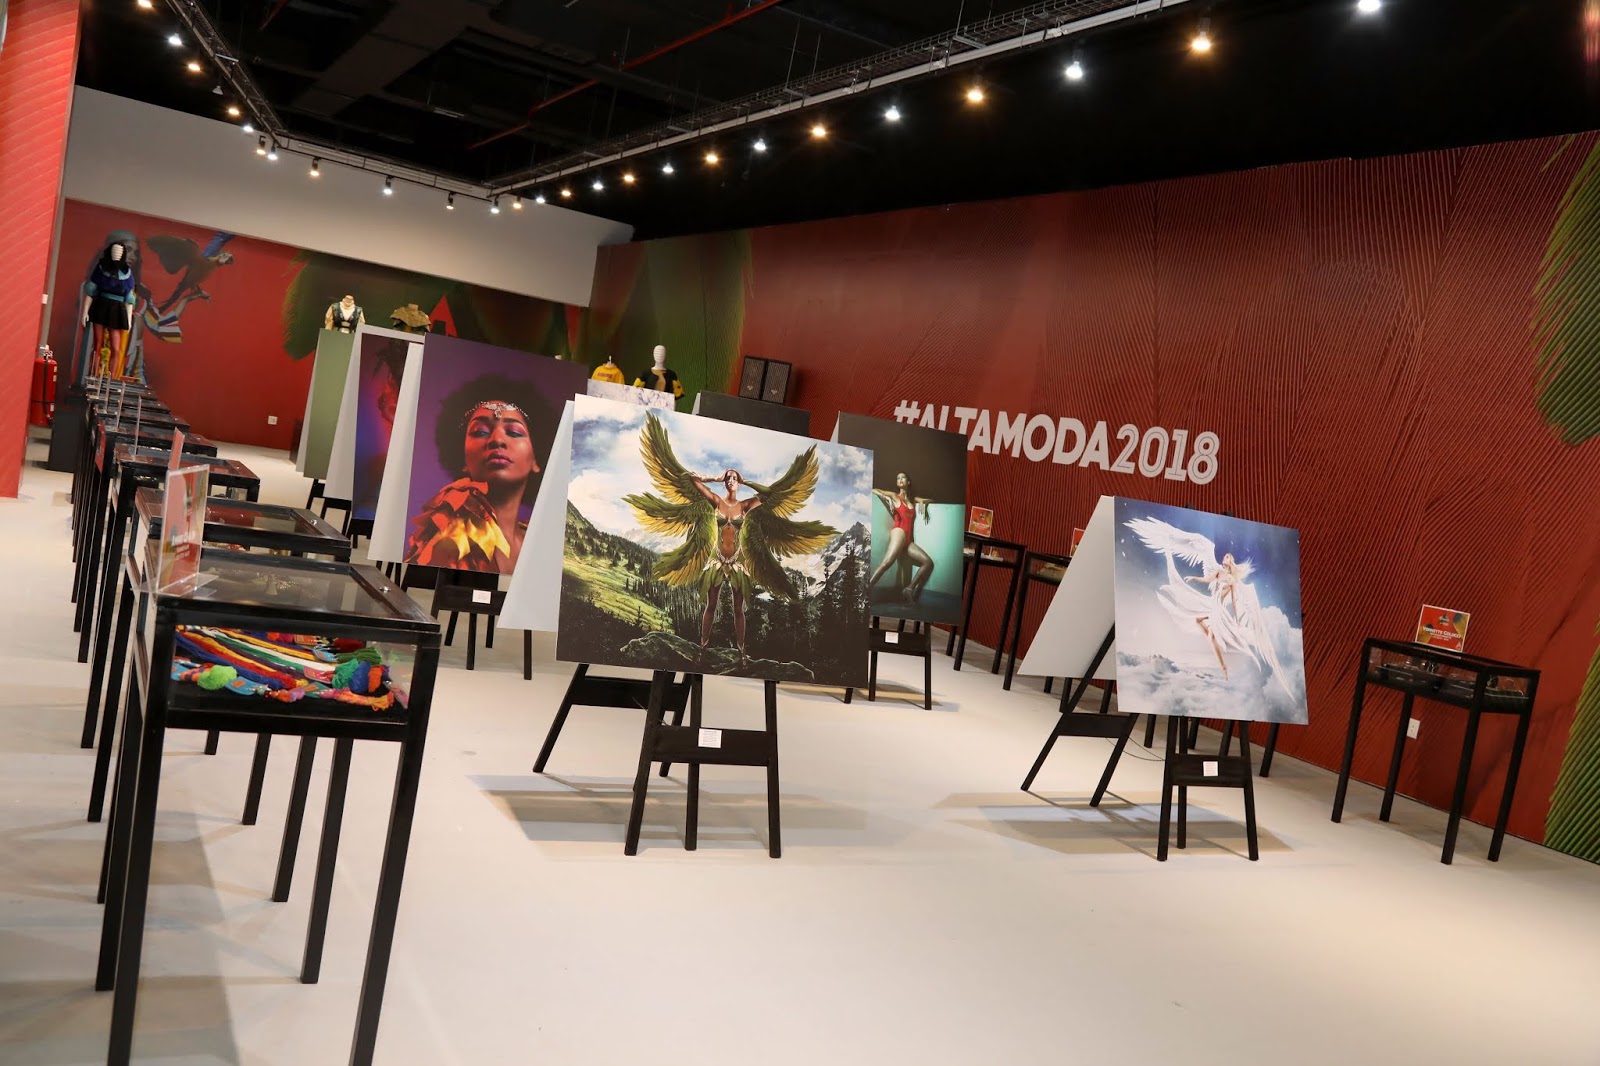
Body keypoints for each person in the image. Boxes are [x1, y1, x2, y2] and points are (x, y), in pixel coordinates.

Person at [626, 412, 835, 662]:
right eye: (728, 478)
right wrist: (713, 478)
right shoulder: (716, 501)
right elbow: (692, 480)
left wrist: (748, 482)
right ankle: (703, 647)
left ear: (739, 482)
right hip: (716, 560)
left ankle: (742, 652)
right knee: (710, 606)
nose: (731, 481)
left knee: (738, 609)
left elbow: (769, 495)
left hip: (738, 562)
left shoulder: (746, 506)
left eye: (734, 478)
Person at [403, 374, 546, 573]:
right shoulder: (447, 545)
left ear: (536, 460)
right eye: (480, 432)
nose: (497, 440)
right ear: (463, 459)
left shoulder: (545, 546)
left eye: (514, 432)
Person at [868, 472, 936, 604]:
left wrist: (923, 502)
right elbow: (873, 490)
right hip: (899, 532)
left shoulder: (912, 500)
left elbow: (932, 500)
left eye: (903, 477)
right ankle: (866, 591)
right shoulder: (894, 496)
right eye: (898, 478)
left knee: (928, 563)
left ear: (908, 481)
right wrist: (886, 497)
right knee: (886, 563)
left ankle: (909, 589)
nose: (900, 479)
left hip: (908, 541)